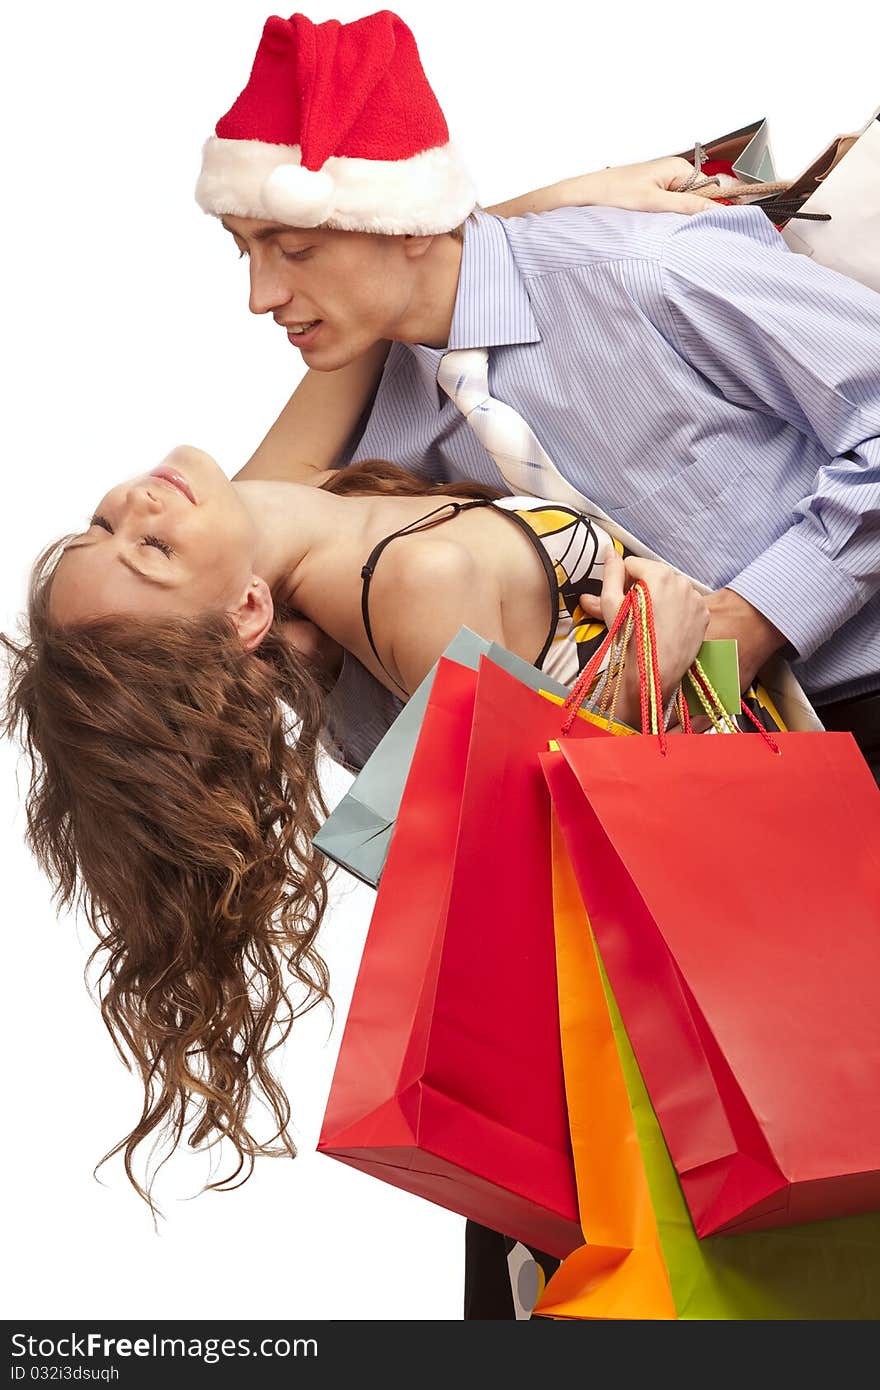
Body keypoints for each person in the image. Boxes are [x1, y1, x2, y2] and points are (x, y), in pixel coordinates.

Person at [2, 446, 711, 1226]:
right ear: (244, 614)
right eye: (154, 551)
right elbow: (548, 869)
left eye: (101, 524)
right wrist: (650, 670)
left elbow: (351, 353)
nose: (137, 505)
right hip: (724, 864)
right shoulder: (416, 587)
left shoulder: (268, 520)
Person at [193, 10, 879, 795]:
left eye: (297, 248)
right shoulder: (374, 470)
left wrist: (754, 618)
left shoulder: (646, 269)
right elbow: (431, 763)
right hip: (701, 801)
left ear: (405, 222)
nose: (260, 296)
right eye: (244, 250)